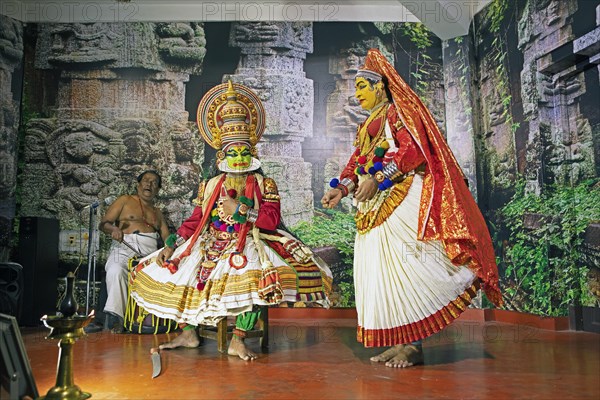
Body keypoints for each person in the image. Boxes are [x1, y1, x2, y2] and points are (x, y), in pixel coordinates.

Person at [321, 49, 502, 368]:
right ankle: (401, 340)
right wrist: (342, 188)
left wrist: (378, 179)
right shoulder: (367, 125)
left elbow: (413, 151)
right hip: (373, 208)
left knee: (411, 270)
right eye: (356, 87)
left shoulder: (396, 113)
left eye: (362, 86)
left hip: (401, 200)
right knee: (384, 272)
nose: (357, 93)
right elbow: (356, 161)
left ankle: (414, 345)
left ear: (379, 86)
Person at [130, 81, 332, 360]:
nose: (238, 159)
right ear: (222, 155)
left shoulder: (264, 183)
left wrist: (242, 210)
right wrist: (172, 244)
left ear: (253, 153)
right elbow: (194, 220)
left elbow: (271, 221)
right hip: (209, 240)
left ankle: (238, 339)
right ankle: (189, 332)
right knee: (170, 270)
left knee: (255, 279)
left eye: (243, 152)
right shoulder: (211, 184)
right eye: (233, 153)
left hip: (250, 239)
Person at [87, 170, 170, 333]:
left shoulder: (158, 213)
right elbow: (104, 223)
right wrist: (113, 229)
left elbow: (167, 237)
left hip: (148, 252)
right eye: (146, 180)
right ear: (138, 185)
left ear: (158, 189)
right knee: (115, 270)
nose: (149, 184)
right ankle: (117, 318)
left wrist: (173, 246)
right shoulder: (125, 200)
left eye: (154, 182)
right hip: (124, 244)